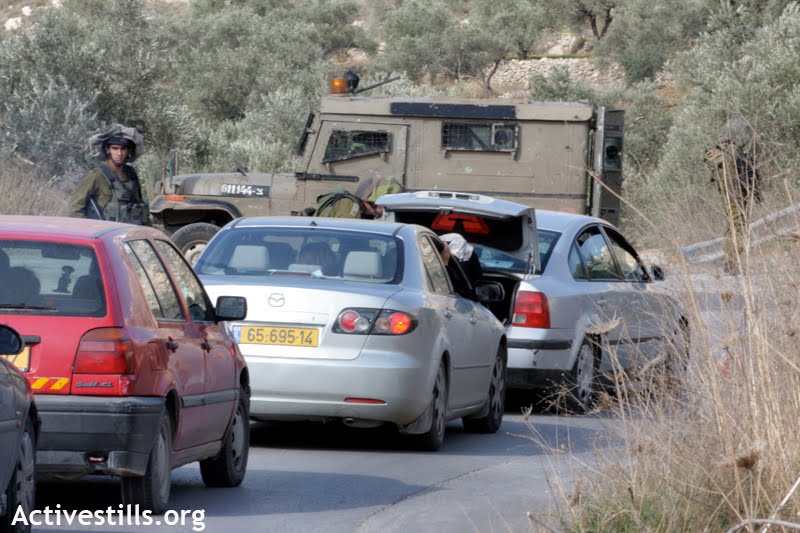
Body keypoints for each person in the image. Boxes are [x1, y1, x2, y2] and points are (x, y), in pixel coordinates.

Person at [704, 115, 761, 275]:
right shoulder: (732, 152)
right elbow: (737, 177)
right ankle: (732, 262)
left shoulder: (720, 151)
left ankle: (732, 261)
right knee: (738, 226)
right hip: (735, 195)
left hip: (730, 195)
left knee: (733, 225)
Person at [68, 124, 150, 225]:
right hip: (106, 235)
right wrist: (90, 229)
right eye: (115, 148)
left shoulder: (131, 173)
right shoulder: (96, 175)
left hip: (129, 232)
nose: (119, 153)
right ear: (108, 150)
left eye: (123, 149)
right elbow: (75, 208)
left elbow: (139, 205)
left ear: (128, 151)